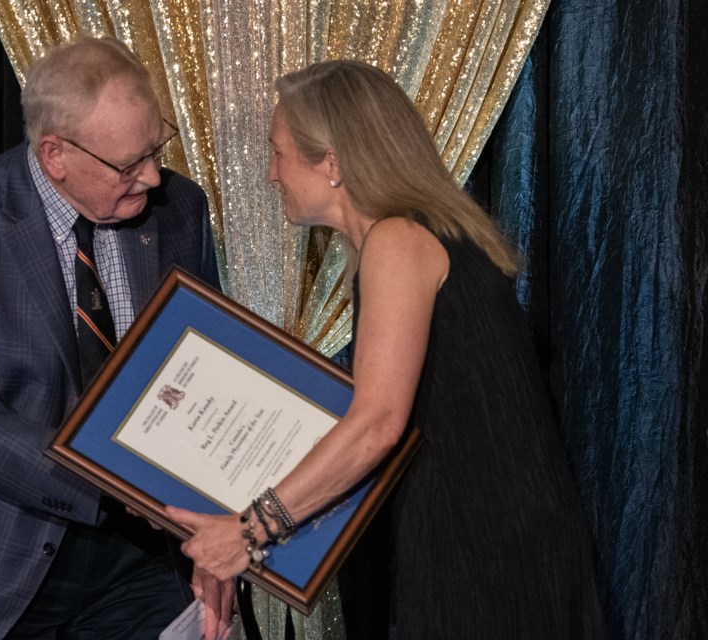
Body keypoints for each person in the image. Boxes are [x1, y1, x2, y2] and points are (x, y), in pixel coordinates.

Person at [167, 60, 606, 639]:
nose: (271, 174)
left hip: (483, 556)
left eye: (278, 152)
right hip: (493, 537)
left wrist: (250, 531)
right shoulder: (416, 233)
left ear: (333, 162)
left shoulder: (397, 240)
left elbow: (377, 424)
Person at [0, 36, 233, 640]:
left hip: (143, 562)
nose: (152, 177)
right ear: (55, 156)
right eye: (130, 164)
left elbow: (207, 367)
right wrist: (106, 479)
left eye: (157, 148)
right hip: (2, 555)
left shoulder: (180, 209)